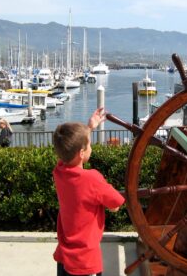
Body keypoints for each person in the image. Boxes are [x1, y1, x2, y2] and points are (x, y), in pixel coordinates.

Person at [52, 107, 125, 276]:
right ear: (82, 152)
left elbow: (71, 152)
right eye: (89, 144)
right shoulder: (92, 179)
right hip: (85, 262)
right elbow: (115, 204)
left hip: (64, 258)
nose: (91, 146)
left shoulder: (59, 172)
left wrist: (90, 127)